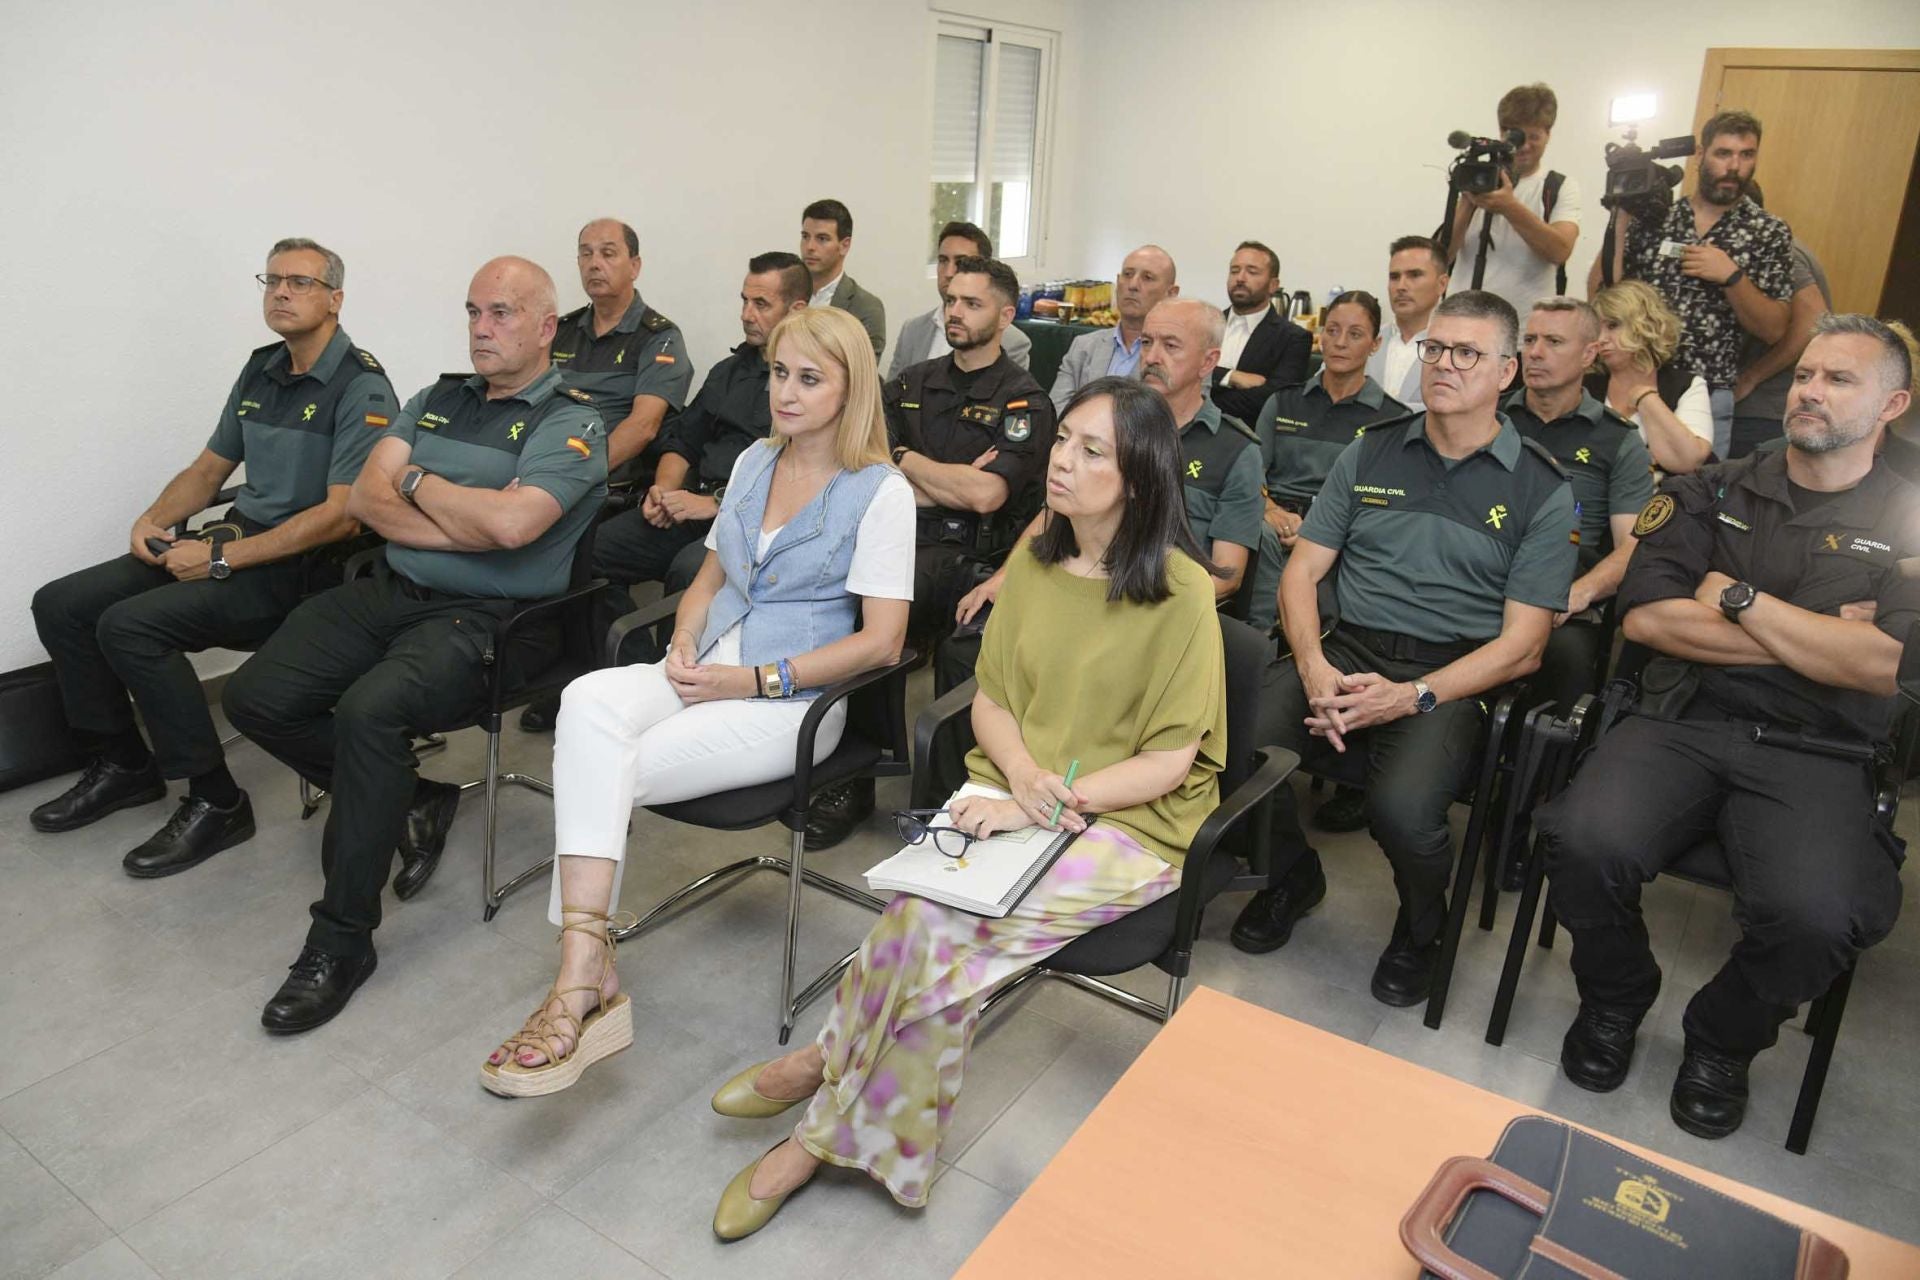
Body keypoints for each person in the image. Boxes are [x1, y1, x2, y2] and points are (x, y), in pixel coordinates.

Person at [700, 376, 1228, 1239]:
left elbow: (1170, 760)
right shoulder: (1035, 559)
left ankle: (815, 1123)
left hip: (1128, 821)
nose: (1062, 460)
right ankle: (839, 1081)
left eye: (1093, 451)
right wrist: (1020, 778)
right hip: (1020, 788)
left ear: (1139, 477)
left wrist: (1045, 803)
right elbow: (991, 700)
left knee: (938, 946)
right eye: (1064, 440)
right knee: (915, 918)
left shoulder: (1181, 592)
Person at [476, 305, 913, 1101]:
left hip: (793, 702)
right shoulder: (752, 461)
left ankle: (581, 978)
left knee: (608, 764)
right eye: (780, 373)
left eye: (809, 379)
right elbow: (709, 579)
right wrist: (681, 638)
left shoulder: (882, 494)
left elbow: (883, 643)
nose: (785, 392)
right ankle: (589, 962)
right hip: (708, 664)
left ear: (852, 390)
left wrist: (752, 682)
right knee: (585, 705)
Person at [1535, 314, 1916, 1140]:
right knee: (1580, 841)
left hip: (1823, 750)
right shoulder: (1712, 486)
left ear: (1894, 405)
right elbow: (1650, 622)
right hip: (1681, 720)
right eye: (1806, 374)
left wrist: (1739, 599)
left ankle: (1723, 1040)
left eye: (1838, 380)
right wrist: (1823, 636)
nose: (1809, 390)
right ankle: (1615, 996)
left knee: (1819, 918)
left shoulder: (1914, 510)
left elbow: (1888, 666)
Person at [223, 256, 608, 1032]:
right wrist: (464, 513)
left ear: (544, 327)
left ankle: (341, 942)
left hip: (490, 619)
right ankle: (408, 793)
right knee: (252, 697)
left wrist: (419, 483)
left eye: (501, 313)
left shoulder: (572, 420)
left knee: (369, 714)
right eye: (472, 311)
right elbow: (366, 497)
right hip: (392, 589)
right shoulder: (436, 397)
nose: (480, 327)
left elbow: (515, 528)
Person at [1230, 292, 1576, 1009]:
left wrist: (1412, 696)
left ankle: (1423, 929)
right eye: (1435, 349)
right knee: (1233, 754)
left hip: (1446, 676)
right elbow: (1302, 570)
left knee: (1404, 812)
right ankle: (1292, 877)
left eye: (1467, 353)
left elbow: (1526, 646)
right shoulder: (1373, 449)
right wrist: (1313, 665)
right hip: (1345, 649)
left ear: (1507, 371)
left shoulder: (1540, 486)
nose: (1444, 365)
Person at [29, 238, 392, 877]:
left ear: (335, 299)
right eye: (273, 280)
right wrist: (154, 520)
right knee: (61, 604)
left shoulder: (361, 386)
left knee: (131, 626)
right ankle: (124, 764)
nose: (281, 292)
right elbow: (207, 468)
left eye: (300, 282)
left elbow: (343, 516)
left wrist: (222, 561)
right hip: (236, 543)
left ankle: (217, 801)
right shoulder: (261, 369)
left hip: (303, 574)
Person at [807, 256, 1053, 851]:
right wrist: (940, 478)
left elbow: (989, 494)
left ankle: (947, 798)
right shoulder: (910, 383)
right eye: (950, 300)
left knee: (972, 645)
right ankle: (854, 779)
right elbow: (867, 465)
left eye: (971, 303)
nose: (955, 313)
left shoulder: (1024, 402)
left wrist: (907, 463)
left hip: (982, 562)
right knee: (858, 624)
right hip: (905, 544)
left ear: (1004, 312)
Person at [519, 252, 812, 733]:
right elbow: (683, 438)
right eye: (744, 300)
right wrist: (663, 486)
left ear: (797, 310)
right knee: (587, 552)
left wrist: (712, 504)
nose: (746, 313)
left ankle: (678, 694)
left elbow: (799, 475)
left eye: (761, 303)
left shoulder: (809, 385)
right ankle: (630, 673)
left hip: (752, 520)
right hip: (687, 504)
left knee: (687, 571)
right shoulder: (729, 372)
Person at [1247, 290, 1411, 834]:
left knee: (1332, 589)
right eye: (1332, 331)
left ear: (1376, 343)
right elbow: (1256, 476)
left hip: (1341, 540)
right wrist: (1272, 510)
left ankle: (1343, 765)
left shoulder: (1392, 420)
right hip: (1278, 526)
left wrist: (1321, 535)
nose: (1340, 343)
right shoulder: (1285, 401)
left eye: (1355, 333)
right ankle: (1255, 699)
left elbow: (1385, 510)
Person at [1594, 110, 1794, 451]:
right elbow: (1607, 293)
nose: (1734, 166)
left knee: (1696, 497)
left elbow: (1774, 329)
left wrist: (1731, 277)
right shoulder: (1659, 218)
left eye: (1746, 155)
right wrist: (1622, 218)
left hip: (1709, 390)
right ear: (1701, 155)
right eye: (1723, 153)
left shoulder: (1768, 232)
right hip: (1638, 380)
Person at [1503, 298, 1654, 717]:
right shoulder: (1490, 416)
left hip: (1561, 596)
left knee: (1566, 659)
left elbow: (1633, 545)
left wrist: (1579, 593)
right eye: (1529, 339)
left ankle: (1538, 780)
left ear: (1589, 354)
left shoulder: (1617, 440)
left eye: (1553, 341)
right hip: (1479, 579)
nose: (1534, 352)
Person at [551, 218, 694, 483]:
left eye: (608, 253)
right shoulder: (559, 332)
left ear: (634, 266)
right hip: (545, 461)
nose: (594, 263)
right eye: (586, 253)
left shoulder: (660, 338)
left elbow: (643, 427)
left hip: (602, 480)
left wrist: (576, 476)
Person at [1445, 83, 1582, 316]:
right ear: (1502, 132)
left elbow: (1559, 251)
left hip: (1524, 332)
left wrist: (1509, 207)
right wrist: (1469, 200)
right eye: (1516, 136)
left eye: (1534, 137)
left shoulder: (1558, 187)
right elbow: (1441, 258)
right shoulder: (1479, 179)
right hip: (1462, 324)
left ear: (1548, 134)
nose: (1524, 146)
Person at [1588, 281, 1713, 475]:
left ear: (1644, 325)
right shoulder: (1585, 385)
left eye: (1613, 325)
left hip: (1665, 501)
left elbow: (1690, 461)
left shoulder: (1685, 386)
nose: (1602, 338)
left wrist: (1646, 399)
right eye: (1597, 329)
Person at [888, 220, 1031, 377]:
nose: (949, 272)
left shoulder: (1012, 341)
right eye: (943, 261)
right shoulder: (913, 330)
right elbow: (891, 396)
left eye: (961, 262)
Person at [1730, 235, 1831, 458]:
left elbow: (1813, 320)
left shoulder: (1778, 250)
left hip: (1761, 408)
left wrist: (1751, 377)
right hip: (1752, 408)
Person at [1049, 244, 1179, 410]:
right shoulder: (1084, 346)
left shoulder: (1182, 355)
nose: (1132, 285)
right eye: (1127, 274)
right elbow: (1055, 411)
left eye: (1147, 278)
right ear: (1118, 282)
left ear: (1171, 293)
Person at [1212, 240, 1312, 422]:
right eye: (1235, 271)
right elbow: (1182, 373)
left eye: (1252, 272)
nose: (1240, 278)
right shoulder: (1206, 323)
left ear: (1273, 285)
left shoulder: (1293, 338)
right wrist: (1230, 376)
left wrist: (1205, 399)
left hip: (1247, 436)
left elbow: (1273, 400)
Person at [1367, 236, 1450, 409]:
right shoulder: (1365, 339)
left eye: (1414, 275)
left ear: (1442, 284)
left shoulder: (1458, 349)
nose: (1401, 286)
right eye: (1394, 277)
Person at [800, 198, 886, 359]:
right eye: (805, 236)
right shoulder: (786, 294)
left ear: (844, 245)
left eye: (822, 238)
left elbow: (861, 373)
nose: (809, 247)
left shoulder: (866, 308)